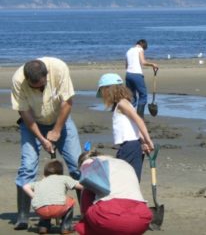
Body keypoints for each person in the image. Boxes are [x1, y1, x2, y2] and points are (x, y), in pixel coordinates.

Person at [11, 57, 82, 230]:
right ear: (27, 80)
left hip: (61, 119)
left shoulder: (59, 68)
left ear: (46, 76)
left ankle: (88, 213)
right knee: (27, 166)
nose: (40, 89)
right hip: (32, 123)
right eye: (35, 87)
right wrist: (42, 139)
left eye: (42, 85)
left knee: (78, 165)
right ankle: (22, 216)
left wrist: (56, 130)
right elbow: (24, 111)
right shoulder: (18, 80)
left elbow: (67, 102)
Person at [75, 150, 153, 235]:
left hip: (109, 216)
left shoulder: (90, 163)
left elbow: (86, 197)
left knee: (83, 225)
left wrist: (84, 217)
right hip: (142, 217)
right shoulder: (123, 163)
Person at [96, 73, 154, 181]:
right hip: (132, 145)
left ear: (110, 90)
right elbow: (134, 126)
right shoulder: (120, 104)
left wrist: (147, 140)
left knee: (123, 178)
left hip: (129, 146)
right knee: (131, 178)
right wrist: (142, 142)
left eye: (103, 92)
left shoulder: (123, 103)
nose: (103, 96)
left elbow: (138, 120)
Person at [23, 160, 83, 234]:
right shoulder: (64, 178)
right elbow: (80, 186)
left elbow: (25, 186)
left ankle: (43, 227)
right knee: (70, 201)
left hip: (40, 210)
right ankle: (66, 227)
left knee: (45, 201)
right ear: (60, 172)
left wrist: (34, 196)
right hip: (58, 208)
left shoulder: (40, 181)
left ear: (45, 173)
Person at [125, 39, 159, 118]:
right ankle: (140, 117)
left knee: (132, 97)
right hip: (137, 75)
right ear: (143, 46)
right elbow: (143, 62)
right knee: (143, 96)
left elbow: (126, 66)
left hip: (128, 75)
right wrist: (152, 64)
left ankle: (130, 117)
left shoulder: (128, 51)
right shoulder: (140, 49)